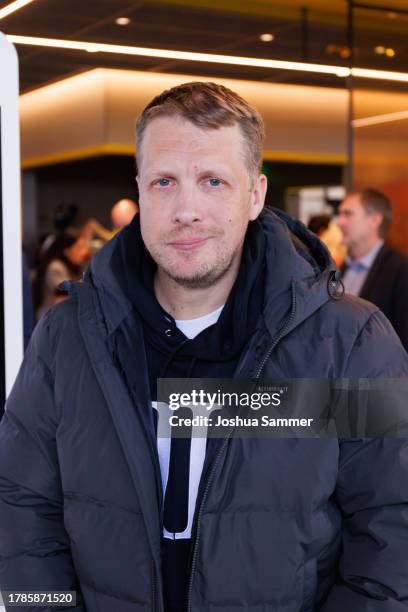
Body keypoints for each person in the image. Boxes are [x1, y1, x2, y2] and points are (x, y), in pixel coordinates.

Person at [0, 82, 407, 612]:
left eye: (213, 181)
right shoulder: (67, 337)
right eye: (164, 181)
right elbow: (21, 508)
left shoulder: (348, 343)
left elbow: (392, 525)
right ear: (141, 192)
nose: (186, 209)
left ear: (256, 195)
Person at [337, 188, 408, 350]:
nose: (339, 222)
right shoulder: (338, 268)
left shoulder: (401, 270)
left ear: (374, 220)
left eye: (348, 214)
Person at [32, 232, 89, 320]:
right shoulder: (56, 267)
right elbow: (64, 294)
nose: (83, 252)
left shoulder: (69, 266)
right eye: (79, 248)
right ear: (66, 251)